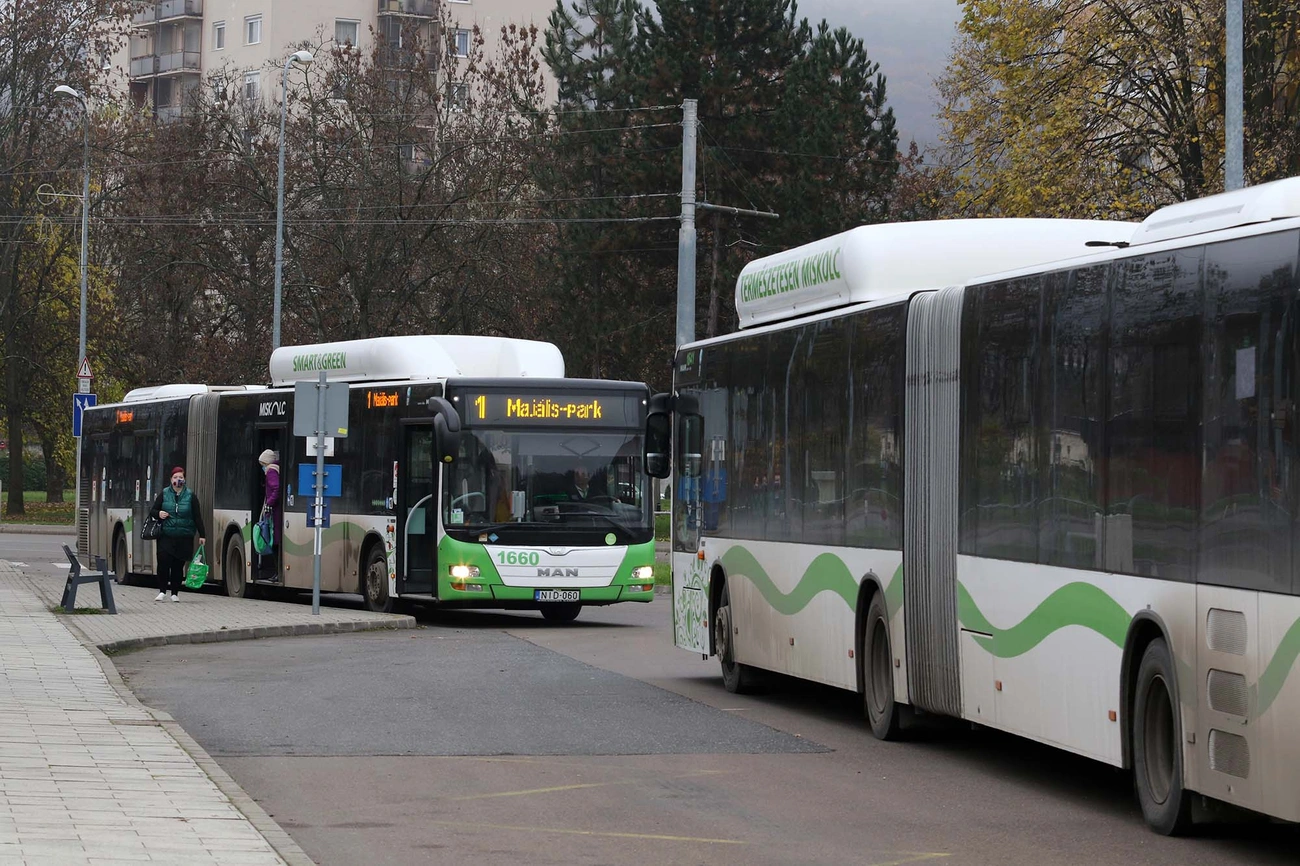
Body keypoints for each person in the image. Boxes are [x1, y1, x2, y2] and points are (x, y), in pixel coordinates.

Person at [150, 466, 205, 602]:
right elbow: (153, 511)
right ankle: (162, 591)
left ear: (184, 479)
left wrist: (202, 535)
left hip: (184, 536)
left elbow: (197, 517)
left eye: (181, 477)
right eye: (175, 477)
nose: (178, 480)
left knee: (178, 565)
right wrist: (159, 513)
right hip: (166, 535)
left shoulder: (190, 496)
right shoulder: (164, 494)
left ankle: (175, 593)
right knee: (163, 562)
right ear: (171, 479)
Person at [258, 449, 282, 580]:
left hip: (274, 514)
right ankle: (277, 572)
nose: (262, 467)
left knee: (274, 542)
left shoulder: (271, 471)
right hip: (276, 513)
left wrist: (269, 503)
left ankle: (277, 572)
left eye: (262, 464)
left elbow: (276, 488)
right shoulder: (277, 469)